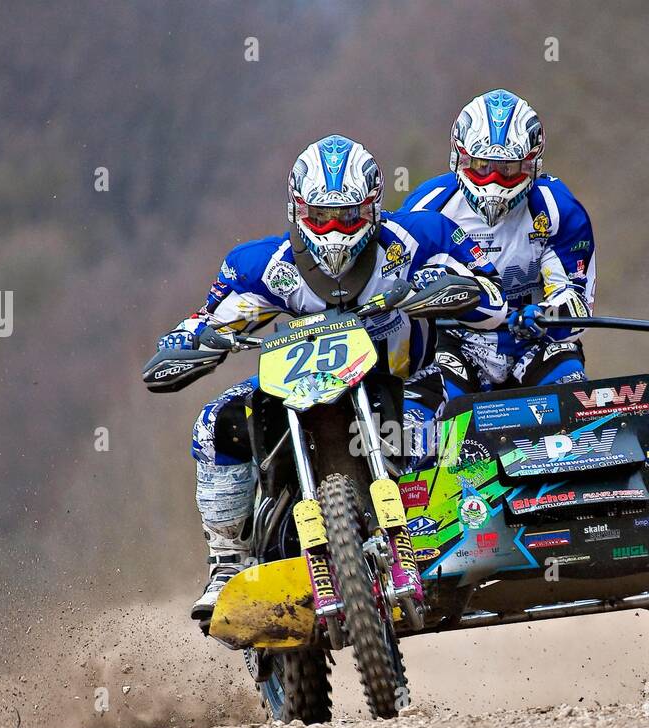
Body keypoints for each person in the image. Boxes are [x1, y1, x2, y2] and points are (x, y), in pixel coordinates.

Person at [153, 135, 507, 621]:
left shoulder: (424, 238)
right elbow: (210, 318)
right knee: (216, 424)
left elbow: (493, 299)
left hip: (403, 383)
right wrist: (184, 342)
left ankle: (464, 535)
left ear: (375, 209)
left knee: (459, 426)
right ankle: (227, 560)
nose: (336, 232)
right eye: (321, 218)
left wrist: (449, 291)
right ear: (298, 211)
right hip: (299, 389)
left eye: (349, 218)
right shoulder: (262, 266)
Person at [401, 89, 596, 405]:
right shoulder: (428, 207)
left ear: (532, 164)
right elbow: (397, 284)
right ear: (459, 159)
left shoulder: (558, 209)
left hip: (535, 340)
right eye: (480, 166)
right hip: (455, 343)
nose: (493, 181)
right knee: (435, 409)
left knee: (571, 394)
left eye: (506, 169)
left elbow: (577, 300)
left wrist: (545, 314)